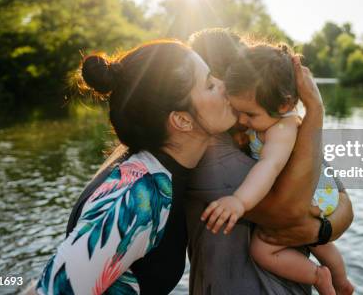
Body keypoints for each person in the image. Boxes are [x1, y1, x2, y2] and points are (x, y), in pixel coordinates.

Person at [35, 39, 237, 294]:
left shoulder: (160, 165)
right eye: (210, 84)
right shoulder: (137, 194)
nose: (224, 85)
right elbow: (51, 289)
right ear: (182, 120)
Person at [186, 29, 354, 294]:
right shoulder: (203, 150)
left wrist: (320, 230)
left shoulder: (281, 130)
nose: (240, 115)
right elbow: (288, 213)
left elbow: (343, 201)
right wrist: (316, 231)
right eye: (211, 86)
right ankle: (335, 279)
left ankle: (338, 281)